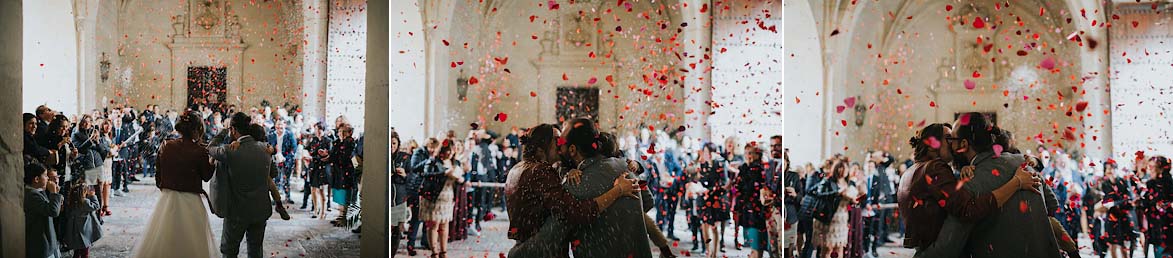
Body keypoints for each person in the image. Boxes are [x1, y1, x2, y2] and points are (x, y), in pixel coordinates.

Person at [897, 123, 1041, 257]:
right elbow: (967, 209)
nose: (953, 143)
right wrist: (1015, 183)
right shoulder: (935, 167)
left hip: (926, 247)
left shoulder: (913, 170)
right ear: (930, 145)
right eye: (948, 138)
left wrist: (962, 172)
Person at [930, 112, 1062, 258]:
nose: (949, 144)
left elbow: (949, 247)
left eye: (952, 139)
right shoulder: (1024, 163)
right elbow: (1052, 203)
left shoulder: (970, 184)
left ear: (963, 144)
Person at [504, 124, 641, 258]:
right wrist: (618, 190)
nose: (562, 144)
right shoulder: (541, 172)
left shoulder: (519, 167)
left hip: (529, 245)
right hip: (542, 250)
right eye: (557, 141)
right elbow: (575, 212)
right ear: (541, 149)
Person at [557, 118, 653, 258]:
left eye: (561, 142)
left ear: (572, 149)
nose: (559, 146)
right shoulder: (624, 167)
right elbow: (648, 201)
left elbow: (560, 232)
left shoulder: (573, 184)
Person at [131, 111, 217, 258]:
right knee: (192, 241)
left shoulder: (166, 146)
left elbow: (159, 177)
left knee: (164, 238)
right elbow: (207, 176)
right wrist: (212, 161)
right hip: (191, 200)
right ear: (197, 129)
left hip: (168, 199)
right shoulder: (200, 150)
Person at [208, 112, 276, 258]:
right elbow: (274, 173)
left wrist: (223, 132)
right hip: (260, 209)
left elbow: (211, 148)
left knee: (229, 251)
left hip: (236, 211)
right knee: (255, 250)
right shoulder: (265, 148)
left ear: (233, 129)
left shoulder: (230, 150)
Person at [420, 141, 464, 258]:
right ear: (442, 151)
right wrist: (444, 173)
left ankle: (443, 252)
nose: (449, 153)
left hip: (448, 197)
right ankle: (434, 252)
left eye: (452, 150)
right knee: (433, 225)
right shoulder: (433, 161)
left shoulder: (456, 162)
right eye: (447, 150)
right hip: (434, 197)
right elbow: (426, 174)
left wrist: (461, 180)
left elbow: (460, 177)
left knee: (444, 225)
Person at [26, 162, 64, 258]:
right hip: (42, 244)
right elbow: (53, 212)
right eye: (46, 176)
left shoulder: (38, 191)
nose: (48, 178)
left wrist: (56, 195)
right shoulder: (32, 195)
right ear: (36, 179)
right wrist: (53, 193)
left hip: (49, 240)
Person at [1138, 156, 1172, 257]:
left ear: (1161, 169)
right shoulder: (1150, 184)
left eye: (1152, 167)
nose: (1149, 170)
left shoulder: (1169, 184)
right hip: (1155, 230)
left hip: (1166, 231)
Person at [327, 124, 359, 227]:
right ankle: (340, 216)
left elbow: (345, 158)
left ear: (349, 133)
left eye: (343, 132)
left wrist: (332, 158)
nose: (341, 134)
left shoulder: (350, 143)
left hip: (346, 173)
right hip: (338, 172)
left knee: (345, 196)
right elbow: (333, 155)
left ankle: (344, 218)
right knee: (339, 195)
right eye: (340, 131)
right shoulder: (337, 142)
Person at [62, 181, 102, 258]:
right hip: (85, 233)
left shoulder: (71, 203)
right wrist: (93, 196)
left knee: (76, 252)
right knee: (85, 252)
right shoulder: (85, 202)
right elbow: (96, 206)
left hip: (74, 232)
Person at [389, 132, 412, 257]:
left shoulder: (405, 157)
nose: (391, 146)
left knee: (397, 229)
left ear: (398, 144)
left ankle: (392, 254)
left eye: (394, 143)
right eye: (390, 143)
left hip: (400, 198)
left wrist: (405, 175)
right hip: (385, 198)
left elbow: (412, 177)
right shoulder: (380, 157)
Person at [303, 123, 331, 219]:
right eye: (315, 129)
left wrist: (312, 157)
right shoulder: (314, 140)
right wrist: (305, 156)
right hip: (313, 167)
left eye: (318, 129)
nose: (317, 131)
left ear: (322, 130)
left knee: (322, 191)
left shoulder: (328, 141)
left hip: (323, 168)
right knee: (313, 189)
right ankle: (316, 209)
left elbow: (327, 156)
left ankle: (323, 211)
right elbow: (307, 149)